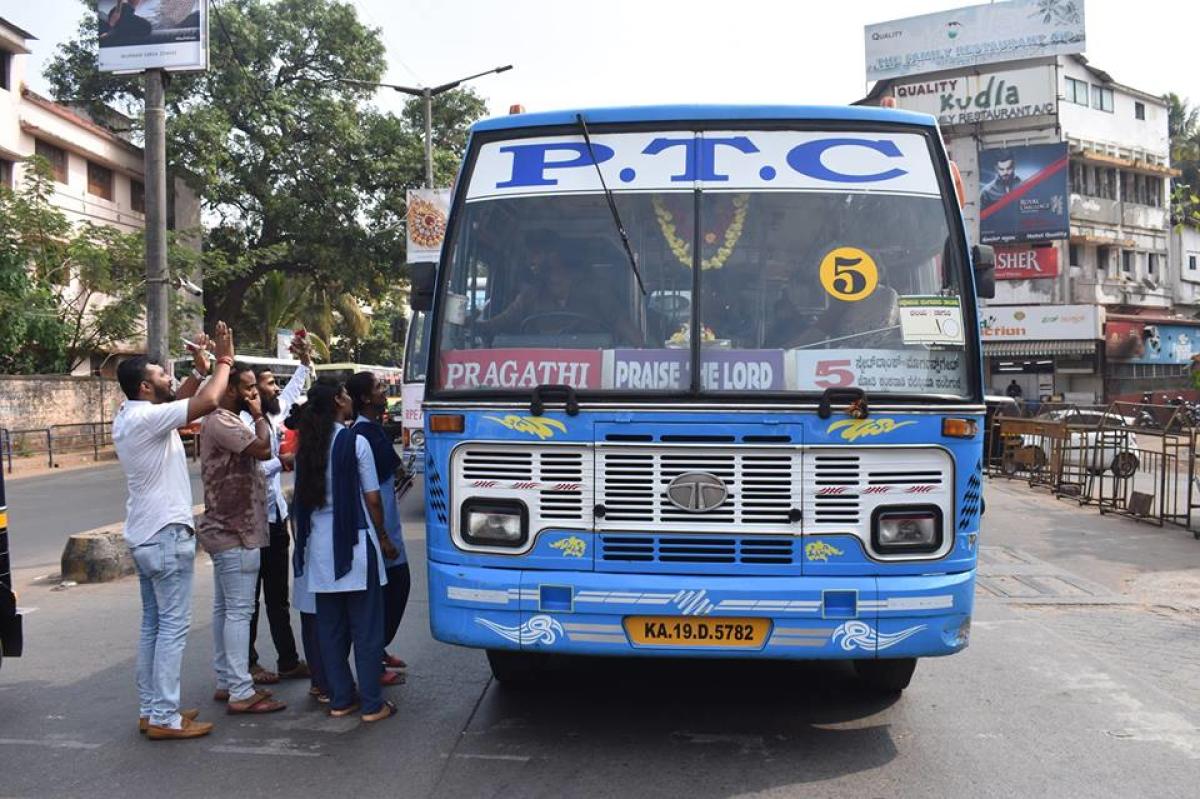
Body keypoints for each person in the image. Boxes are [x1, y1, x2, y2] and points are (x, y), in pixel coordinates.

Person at [113, 322, 233, 740]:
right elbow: (210, 401)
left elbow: (185, 398)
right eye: (162, 374)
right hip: (165, 536)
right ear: (145, 388)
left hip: (146, 535)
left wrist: (198, 372)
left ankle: (153, 708)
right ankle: (164, 715)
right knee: (172, 628)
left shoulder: (131, 416)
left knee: (153, 626)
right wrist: (223, 360)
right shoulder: (147, 418)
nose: (170, 377)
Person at [293, 381, 399, 723]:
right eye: (345, 393)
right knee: (366, 629)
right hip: (355, 543)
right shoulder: (356, 443)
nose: (350, 398)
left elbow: (300, 504)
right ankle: (372, 704)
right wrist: (383, 536)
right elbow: (372, 498)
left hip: (320, 548)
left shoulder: (307, 446)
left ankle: (340, 699)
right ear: (339, 401)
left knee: (331, 630)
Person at [197, 363, 286, 715]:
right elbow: (264, 450)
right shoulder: (223, 421)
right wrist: (260, 415)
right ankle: (239, 689)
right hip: (235, 530)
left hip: (233, 528)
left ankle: (227, 679)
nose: (255, 393)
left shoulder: (225, 420)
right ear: (231, 390)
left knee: (225, 610)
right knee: (238, 611)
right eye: (249, 387)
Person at [240, 339, 314, 686]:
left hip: (275, 517)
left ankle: (288, 660)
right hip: (252, 521)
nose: (274, 388)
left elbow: (294, 389)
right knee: (250, 601)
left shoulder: (271, 414)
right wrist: (279, 463)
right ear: (248, 389)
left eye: (271, 383)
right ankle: (248, 663)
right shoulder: (241, 421)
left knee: (278, 598)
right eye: (267, 383)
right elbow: (249, 471)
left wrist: (305, 360)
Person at [347, 372, 410, 685]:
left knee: (391, 592)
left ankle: (378, 650)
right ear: (365, 399)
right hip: (379, 529)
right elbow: (373, 493)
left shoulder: (373, 430)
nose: (384, 391)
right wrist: (383, 536)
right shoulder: (364, 434)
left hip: (388, 524)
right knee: (393, 590)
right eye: (378, 388)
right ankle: (372, 658)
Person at [476, 247, 643, 345]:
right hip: (538, 371)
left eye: (559, 269)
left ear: (572, 270)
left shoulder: (597, 291)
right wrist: (472, 325)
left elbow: (620, 321)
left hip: (594, 375)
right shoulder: (529, 295)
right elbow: (501, 322)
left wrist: (642, 348)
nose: (554, 276)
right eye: (548, 271)